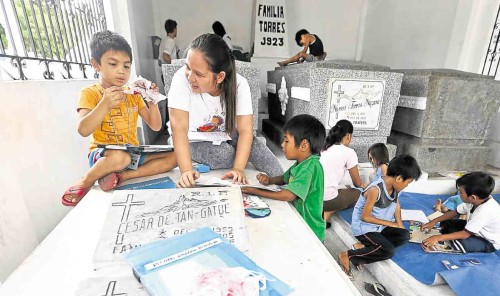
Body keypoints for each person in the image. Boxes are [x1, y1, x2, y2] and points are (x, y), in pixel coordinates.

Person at [61, 30, 175, 207]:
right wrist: (105, 104)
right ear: (96, 64)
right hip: (104, 155)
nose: (121, 71)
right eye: (113, 64)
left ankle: (122, 176)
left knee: (175, 155)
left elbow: (155, 125)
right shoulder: (91, 93)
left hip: (132, 153)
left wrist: (152, 99)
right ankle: (86, 180)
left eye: (127, 66)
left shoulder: (133, 95)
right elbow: (83, 129)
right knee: (121, 158)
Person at [168, 33, 283, 187]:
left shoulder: (240, 84)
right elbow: (179, 129)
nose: (190, 77)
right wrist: (186, 171)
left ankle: (286, 184)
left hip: (225, 135)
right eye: (188, 67)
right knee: (225, 155)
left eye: (199, 74)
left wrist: (238, 169)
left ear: (220, 77)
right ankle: (233, 154)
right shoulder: (180, 79)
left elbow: (245, 131)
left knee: (261, 152)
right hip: (193, 138)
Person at [242, 114, 326, 240]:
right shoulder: (301, 164)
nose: (282, 144)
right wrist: (269, 180)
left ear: (304, 145)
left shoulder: (309, 167)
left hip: (310, 230)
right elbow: (285, 178)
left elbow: (288, 195)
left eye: (286, 141)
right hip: (300, 224)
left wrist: (255, 191)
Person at [338, 155, 421, 275]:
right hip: (364, 228)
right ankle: (347, 255)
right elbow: (365, 217)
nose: (406, 186)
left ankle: (364, 248)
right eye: (407, 183)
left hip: (379, 226)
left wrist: (399, 224)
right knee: (388, 251)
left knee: (404, 235)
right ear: (398, 178)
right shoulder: (375, 189)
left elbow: (396, 204)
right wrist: (390, 223)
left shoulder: (396, 188)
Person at [420, 172, 500, 253]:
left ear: (472, 197)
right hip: (476, 230)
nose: (459, 195)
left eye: (461, 192)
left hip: (488, 241)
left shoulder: (485, 211)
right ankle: (451, 235)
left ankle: (452, 237)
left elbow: (465, 234)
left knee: (459, 244)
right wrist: (434, 221)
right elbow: (455, 212)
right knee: (446, 222)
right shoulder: (475, 200)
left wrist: (438, 237)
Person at [320, 119, 364, 225]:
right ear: (348, 136)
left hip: (312, 197)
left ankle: (322, 212)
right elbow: (357, 183)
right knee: (360, 195)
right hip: (326, 201)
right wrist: (365, 186)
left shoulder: (324, 148)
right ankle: (326, 215)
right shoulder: (349, 153)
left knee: (342, 191)